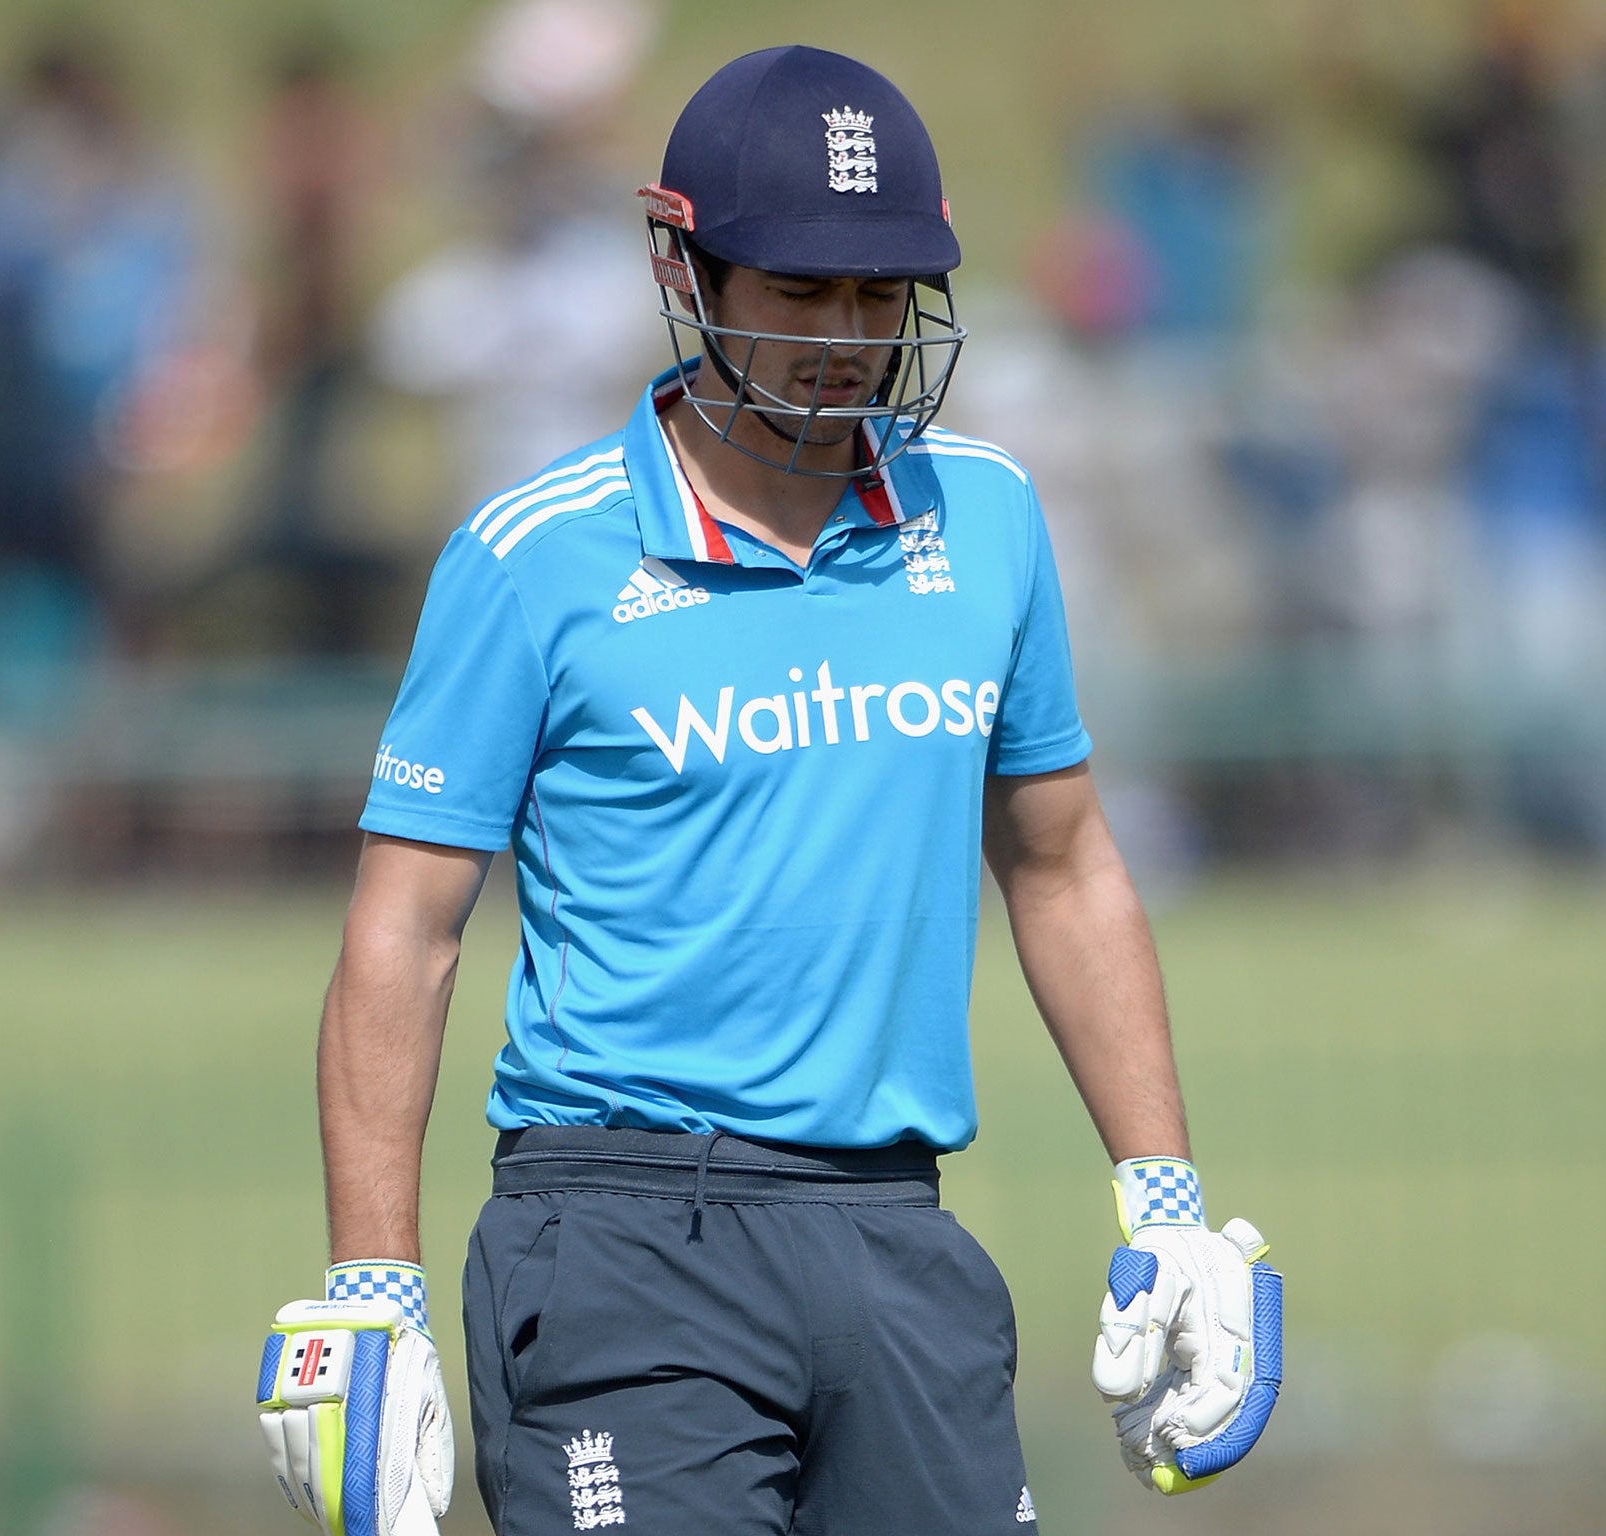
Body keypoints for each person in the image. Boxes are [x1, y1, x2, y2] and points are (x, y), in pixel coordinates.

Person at [256, 46, 1281, 1536]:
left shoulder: (984, 517)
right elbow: (402, 934)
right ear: (685, 268)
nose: (846, 339)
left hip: (895, 1233)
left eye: (879, 295)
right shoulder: (531, 556)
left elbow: (1063, 866)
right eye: (800, 293)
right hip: (613, 1240)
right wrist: (369, 1284)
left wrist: (1167, 1202)